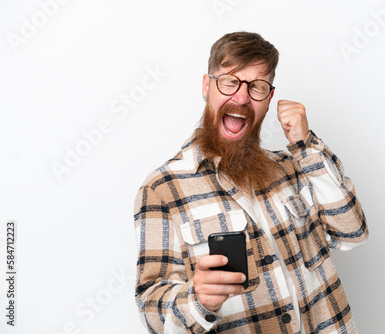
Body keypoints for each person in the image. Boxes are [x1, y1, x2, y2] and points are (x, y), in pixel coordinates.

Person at [133, 31, 368, 334]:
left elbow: (352, 232)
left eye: (257, 87)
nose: (242, 98)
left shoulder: (293, 166)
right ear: (207, 86)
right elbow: (151, 307)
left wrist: (306, 145)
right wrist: (197, 300)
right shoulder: (161, 189)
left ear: (269, 98)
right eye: (230, 81)